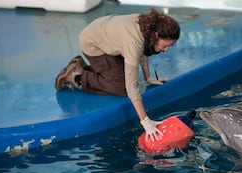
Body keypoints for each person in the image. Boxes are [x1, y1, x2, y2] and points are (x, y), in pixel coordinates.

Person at [54, 9, 180, 142]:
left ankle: (96, 69)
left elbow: (143, 52)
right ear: (156, 35)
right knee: (122, 88)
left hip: (105, 35)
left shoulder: (149, 26)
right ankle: (78, 74)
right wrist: (145, 121)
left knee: (122, 72)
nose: (166, 50)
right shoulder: (133, 41)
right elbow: (131, 86)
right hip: (93, 44)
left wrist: (148, 78)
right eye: (165, 45)